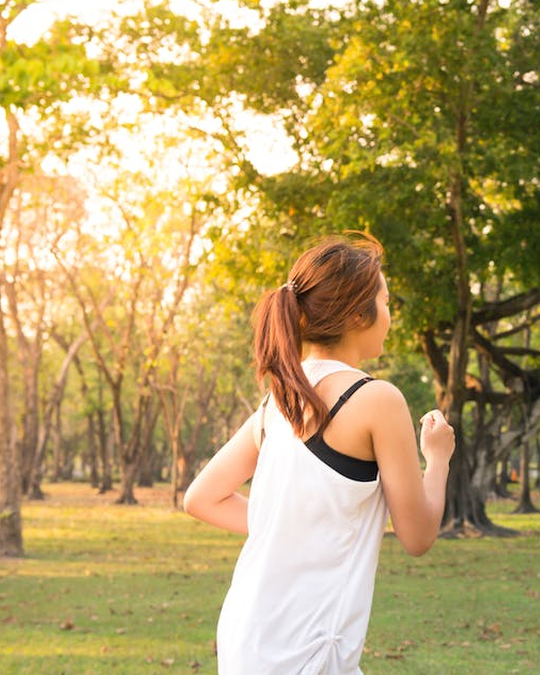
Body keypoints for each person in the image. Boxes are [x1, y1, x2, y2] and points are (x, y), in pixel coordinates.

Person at [183, 232, 455, 675]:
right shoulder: (377, 400)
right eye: (386, 303)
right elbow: (419, 535)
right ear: (356, 314)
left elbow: (202, 498)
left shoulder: (280, 401)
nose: (390, 317)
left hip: (247, 635)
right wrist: (438, 458)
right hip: (306, 646)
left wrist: (289, 525)